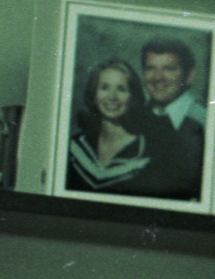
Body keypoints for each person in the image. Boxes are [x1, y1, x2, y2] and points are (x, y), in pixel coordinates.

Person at [66, 58, 161, 194]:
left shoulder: (146, 156)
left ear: (132, 97)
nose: (112, 97)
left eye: (121, 89)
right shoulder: (75, 147)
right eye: (104, 88)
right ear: (94, 95)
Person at [140, 37, 206, 200]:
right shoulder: (133, 117)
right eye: (150, 68)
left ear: (189, 76)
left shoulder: (206, 122)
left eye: (169, 69)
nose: (158, 77)